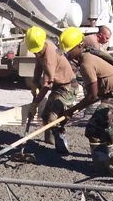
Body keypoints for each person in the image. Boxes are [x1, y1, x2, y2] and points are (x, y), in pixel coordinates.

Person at [59, 27, 113, 171]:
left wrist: (71, 110)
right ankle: (109, 155)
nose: (67, 53)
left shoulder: (87, 63)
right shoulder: (87, 56)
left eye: (69, 49)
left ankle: (101, 164)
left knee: (93, 128)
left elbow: (93, 95)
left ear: (79, 45)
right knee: (102, 125)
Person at [24, 26, 77, 154]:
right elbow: (38, 65)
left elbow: (47, 84)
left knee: (53, 119)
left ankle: (62, 148)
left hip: (68, 86)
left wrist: (35, 103)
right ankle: (49, 144)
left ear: (42, 43)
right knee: (45, 116)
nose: (36, 54)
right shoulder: (42, 46)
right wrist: (35, 82)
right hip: (57, 86)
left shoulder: (49, 57)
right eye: (34, 52)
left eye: (37, 51)